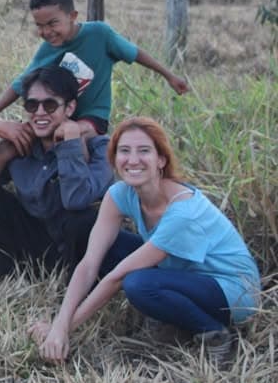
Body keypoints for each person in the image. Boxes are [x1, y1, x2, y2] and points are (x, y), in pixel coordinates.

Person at [30, 117, 261, 364]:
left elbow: (117, 278)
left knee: (138, 284)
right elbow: (89, 264)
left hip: (232, 291)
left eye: (144, 151)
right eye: (124, 151)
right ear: (114, 159)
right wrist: (59, 322)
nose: (133, 160)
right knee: (101, 245)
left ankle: (213, 333)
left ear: (161, 160)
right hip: (184, 272)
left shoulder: (182, 212)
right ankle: (171, 313)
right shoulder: (120, 194)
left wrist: (61, 331)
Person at [0, 66, 112, 280]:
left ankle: (74, 285)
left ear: (69, 108)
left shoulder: (99, 148)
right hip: (35, 239)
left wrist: (70, 145)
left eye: (49, 105)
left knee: (82, 220)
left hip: (76, 248)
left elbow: (76, 200)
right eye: (32, 105)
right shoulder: (20, 143)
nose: (39, 113)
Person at [0, 0, 189, 141]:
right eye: (39, 26)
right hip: (57, 115)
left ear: (72, 16)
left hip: (92, 117)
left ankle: (82, 186)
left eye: (52, 23)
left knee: (68, 135)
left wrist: (169, 76)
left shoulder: (100, 35)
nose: (46, 32)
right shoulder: (47, 50)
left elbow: (135, 53)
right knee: (12, 144)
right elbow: (19, 85)